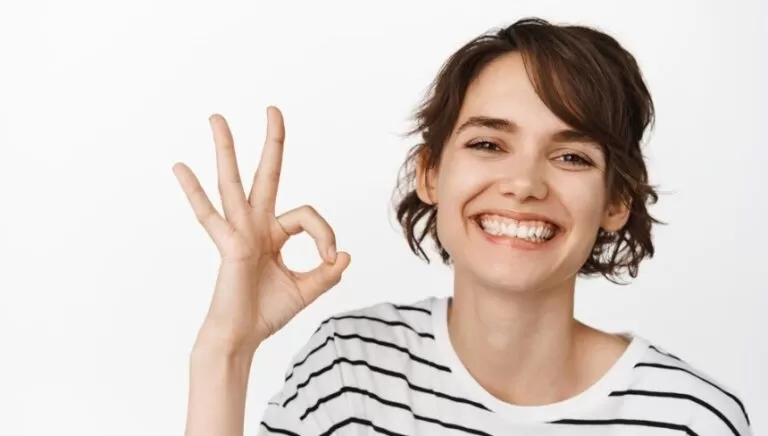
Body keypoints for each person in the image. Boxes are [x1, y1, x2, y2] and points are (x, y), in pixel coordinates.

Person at [173, 17, 751, 436]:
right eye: (488, 144)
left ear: (616, 200)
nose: (523, 183)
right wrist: (225, 350)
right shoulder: (350, 370)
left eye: (571, 156)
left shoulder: (689, 417)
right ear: (430, 173)